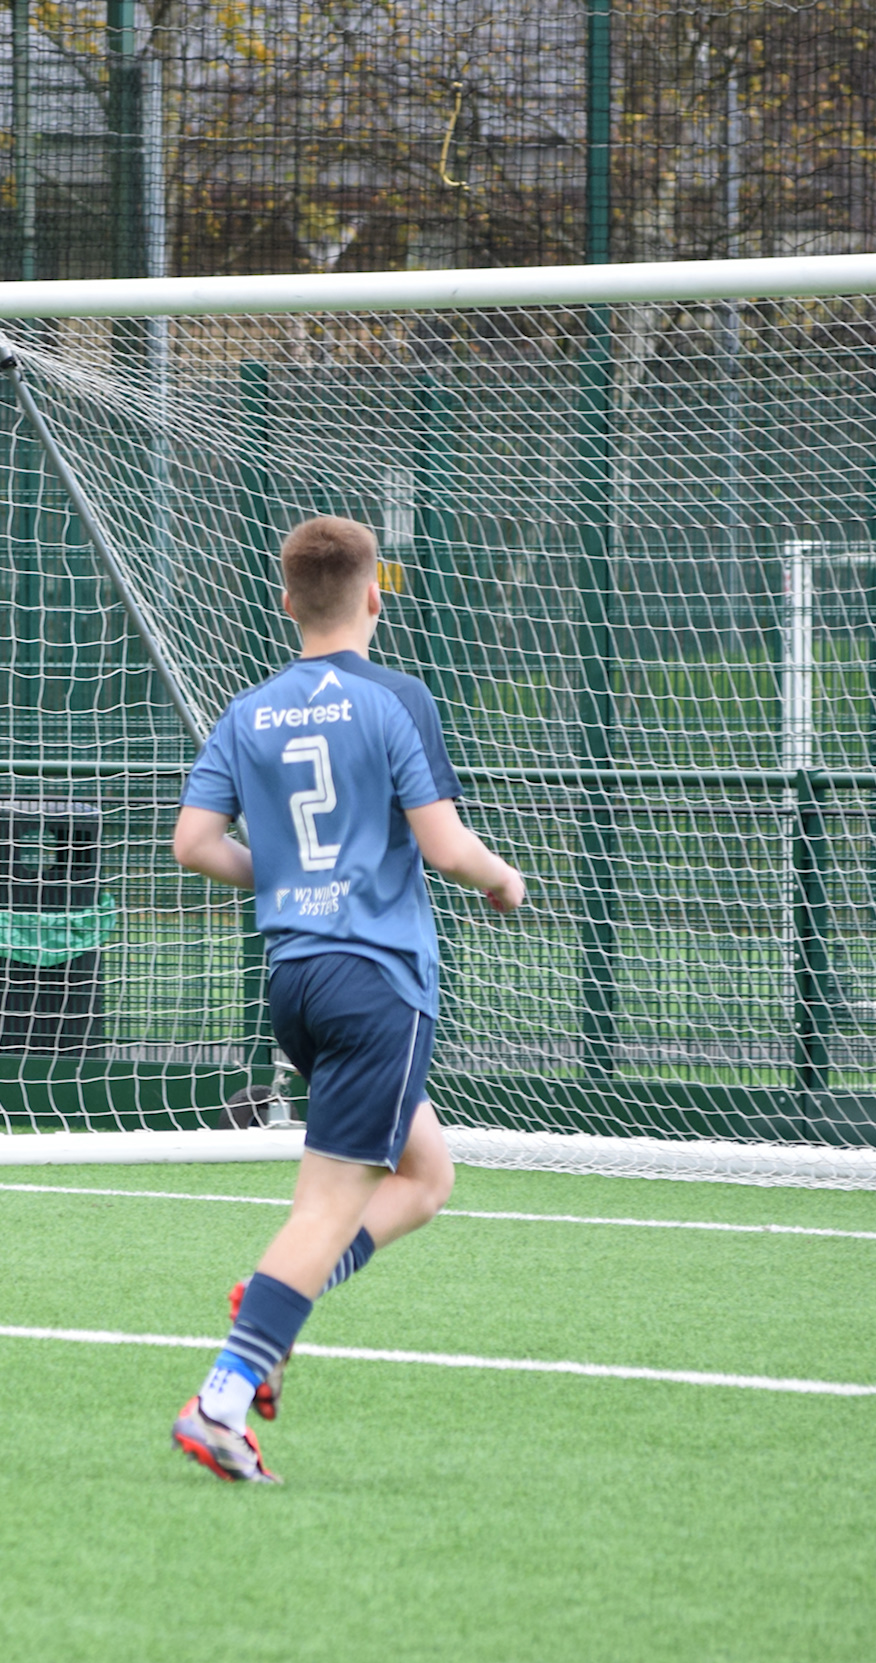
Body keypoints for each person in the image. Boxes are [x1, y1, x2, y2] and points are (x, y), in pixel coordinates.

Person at [166, 515, 526, 1483]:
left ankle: (273, 1297)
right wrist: (502, 879)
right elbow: (445, 847)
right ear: (374, 596)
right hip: (377, 982)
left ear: (286, 601)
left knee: (426, 1174)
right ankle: (223, 1396)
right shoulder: (396, 698)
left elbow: (193, 842)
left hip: (296, 979)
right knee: (326, 1204)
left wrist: (283, 879)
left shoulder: (247, 710)